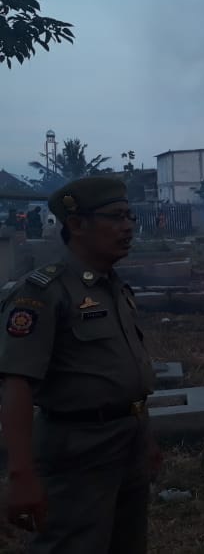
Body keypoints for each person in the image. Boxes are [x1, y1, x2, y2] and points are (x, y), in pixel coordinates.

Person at [0, 177, 162, 553]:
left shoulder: (114, 287)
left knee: (127, 542)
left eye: (130, 217)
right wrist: (21, 474)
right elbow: (16, 384)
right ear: (76, 225)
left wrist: (146, 438)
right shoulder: (43, 292)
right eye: (116, 217)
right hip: (78, 450)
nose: (128, 227)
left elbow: (125, 375)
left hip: (129, 440)